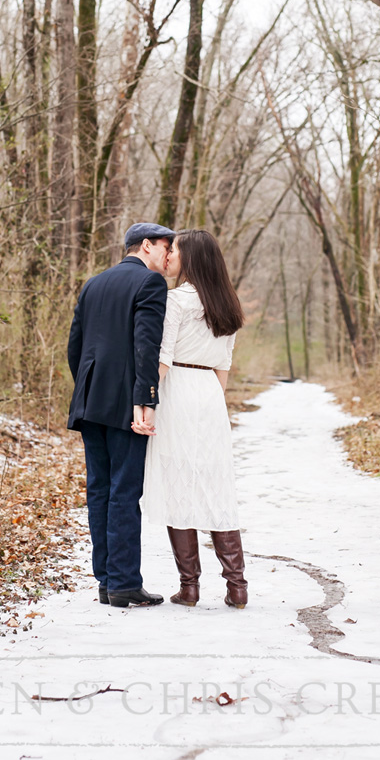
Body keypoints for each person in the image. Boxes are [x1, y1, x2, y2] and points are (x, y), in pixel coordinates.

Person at [65, 221, 174, 608]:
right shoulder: (150, 284)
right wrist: (145, 400)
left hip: (90, 400)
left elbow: (74, 347)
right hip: (127, 402)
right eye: (165, 247)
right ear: (146, 246)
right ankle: (125, 583)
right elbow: (146, 346)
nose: (168, 256)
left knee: (100, 489)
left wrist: (87, 388)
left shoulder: (94, 283)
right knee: (125, 491)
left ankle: (107, 581)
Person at [141, 228, 249, 609]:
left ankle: (190, 587)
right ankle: (237, 586)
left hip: (180, 392)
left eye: (177, 250)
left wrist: (145, 403)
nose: (170, 256)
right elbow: (224, 366)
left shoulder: (178, 301)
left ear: (192, 259)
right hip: (210, 396)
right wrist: (212, 405)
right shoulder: (229, 305)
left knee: (178, 485)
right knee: (216, 487)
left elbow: (163, 361)